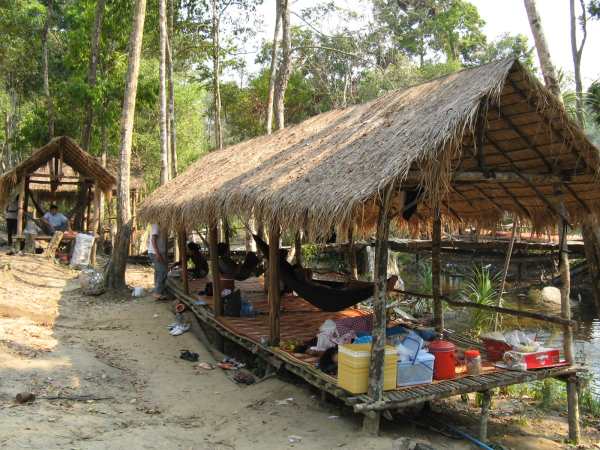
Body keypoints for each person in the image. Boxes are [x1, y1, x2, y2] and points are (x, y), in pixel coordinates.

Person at [148, 223, 168, 299]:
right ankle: (157, 292)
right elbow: (153, 240)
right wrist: (157, 253)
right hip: (156, 252)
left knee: (158, 271)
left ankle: (157, 290)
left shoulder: (163, 226)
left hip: (158, 252)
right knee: (162, 271)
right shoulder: (156, 225)